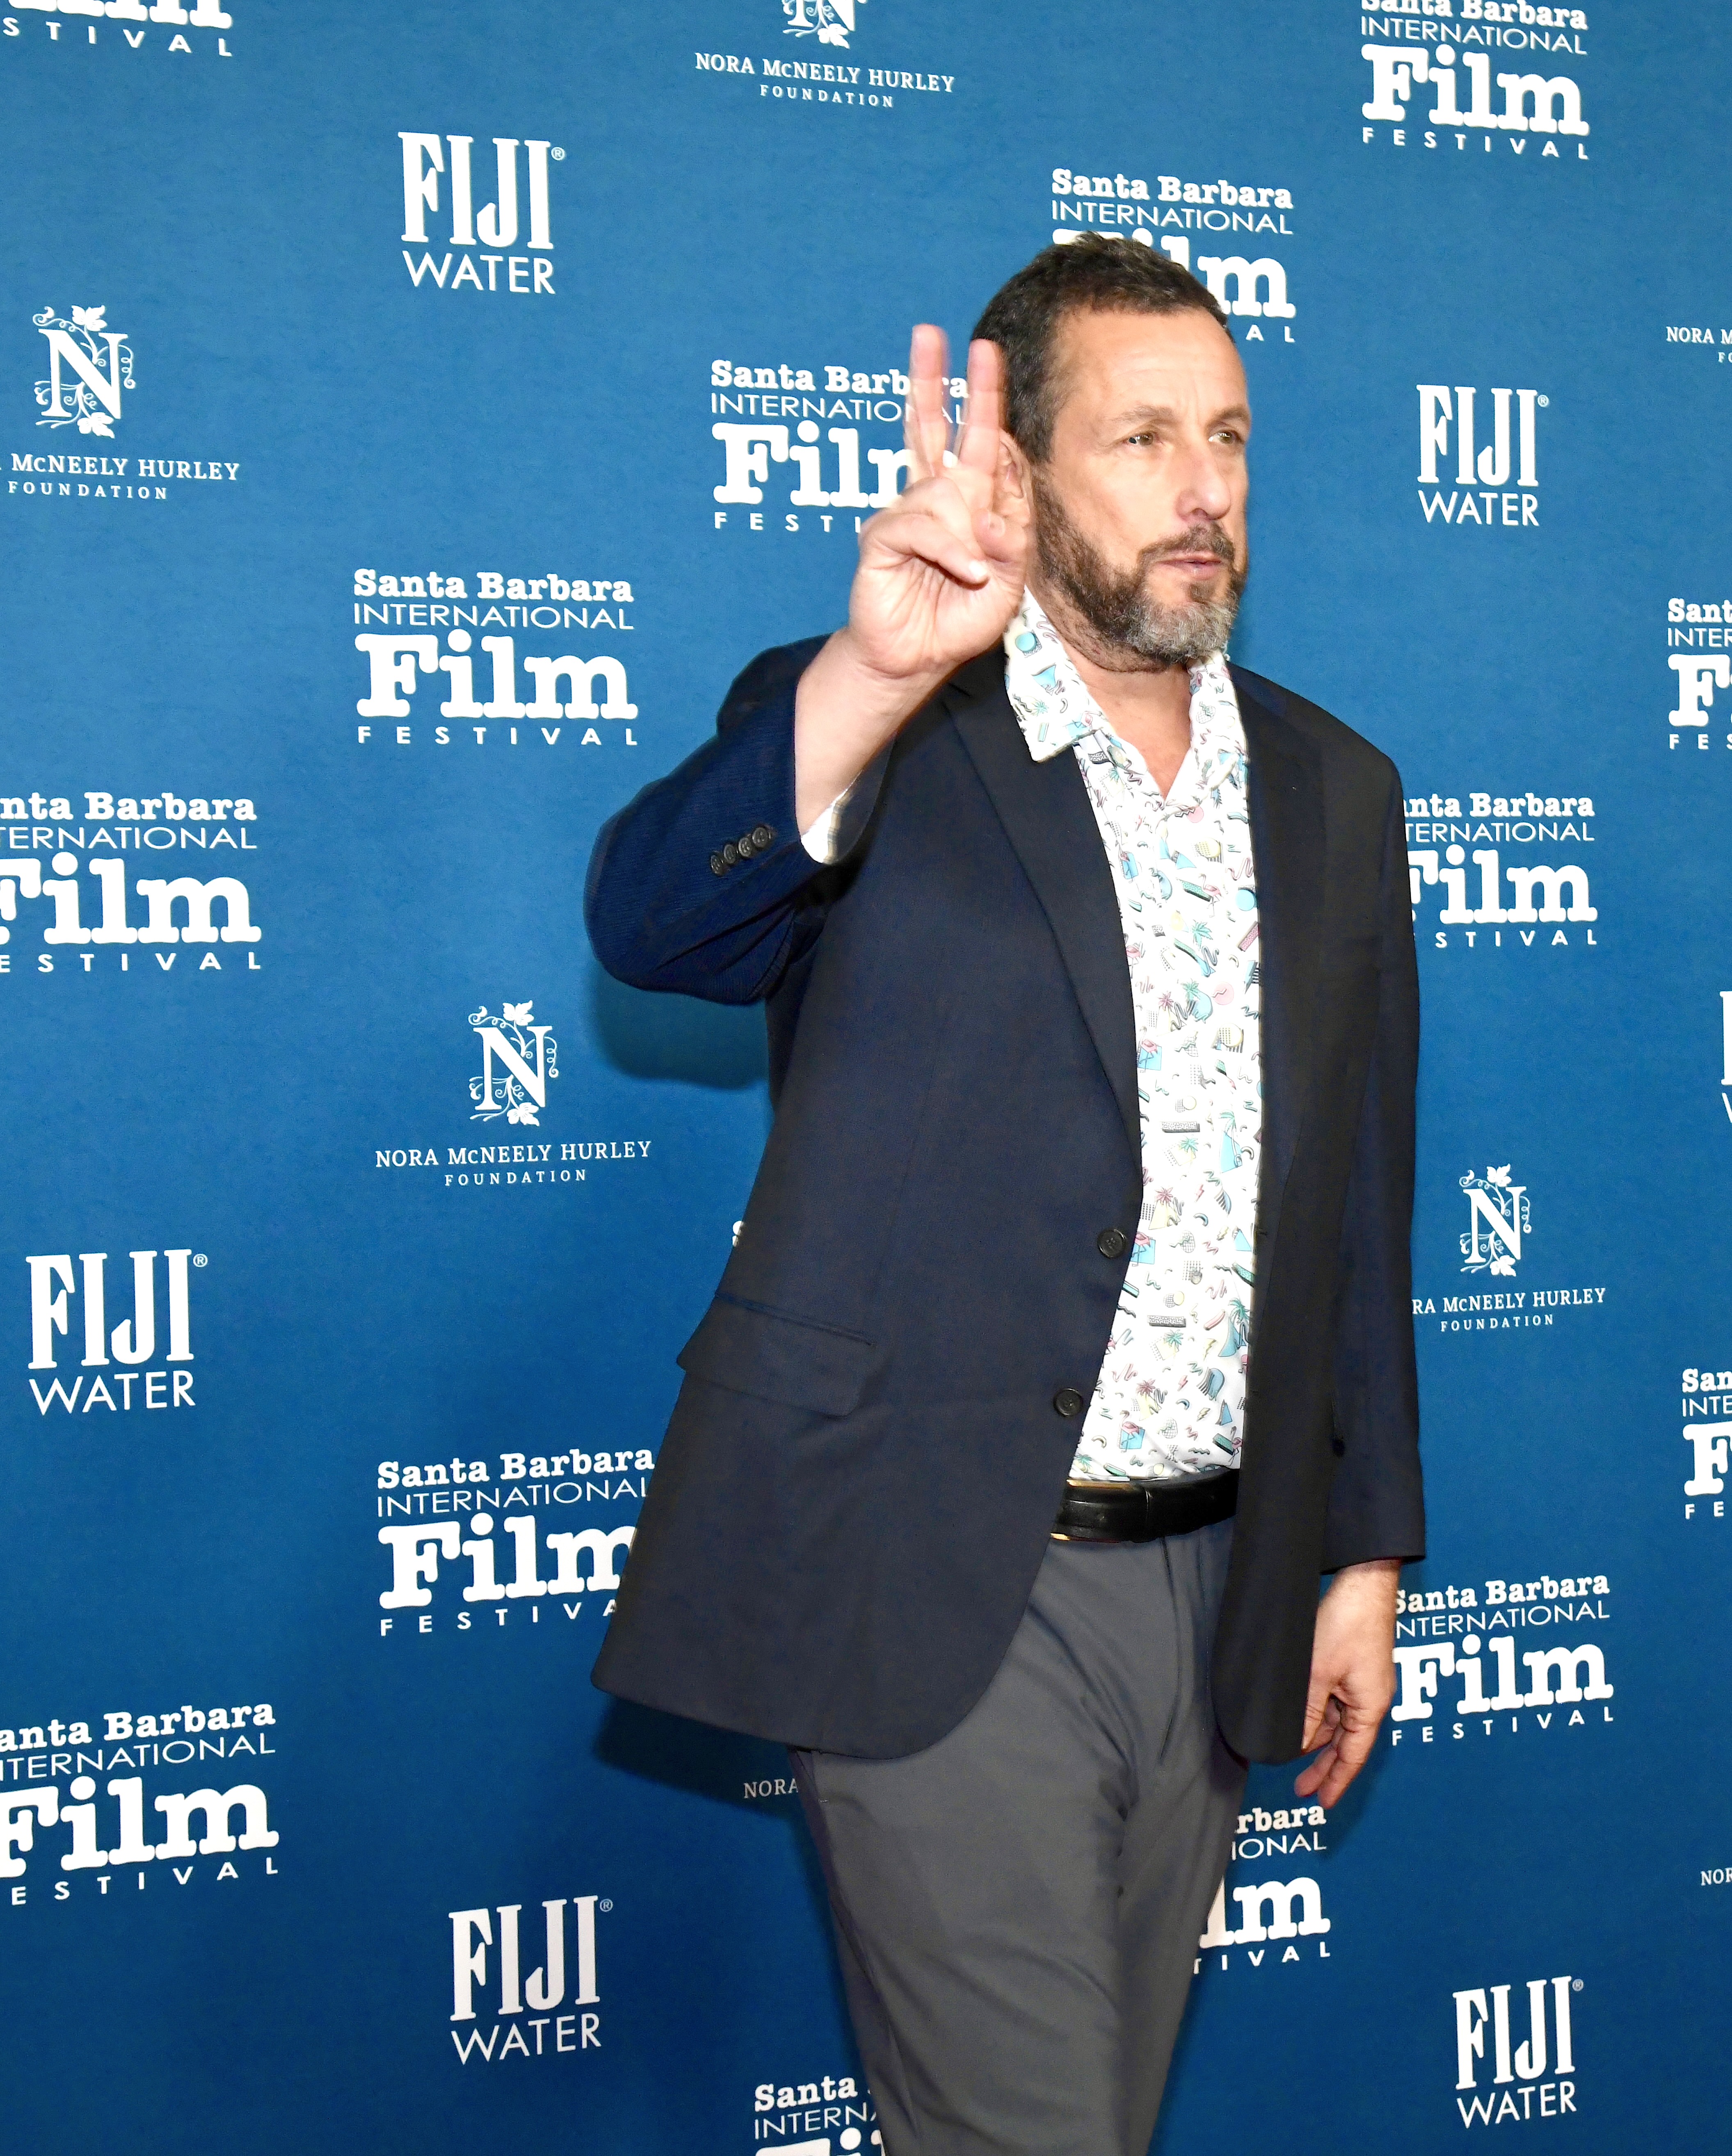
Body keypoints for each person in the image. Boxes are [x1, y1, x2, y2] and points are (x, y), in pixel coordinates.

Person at [585, 235, 1422, 2156]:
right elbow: (651, 927)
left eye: (1229, 437)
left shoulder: (1335, 787)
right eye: (1145, 440)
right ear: (1018, 475)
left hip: (1225, 1595)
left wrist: (1362, 1556)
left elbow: (1359, 1206)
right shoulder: (893, 727)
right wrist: (874, 670)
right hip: (943, 1578)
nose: (1205, 489)